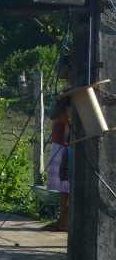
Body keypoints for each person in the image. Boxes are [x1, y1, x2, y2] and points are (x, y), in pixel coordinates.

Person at [45, 55, 72, 232]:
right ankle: (62, 218)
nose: (58, 71)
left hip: (66, 141)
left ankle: (65, 220)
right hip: (60, 139)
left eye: (61, 67)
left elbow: (67, 116)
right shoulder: (67, 89)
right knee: (63, 187)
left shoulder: (73, 91)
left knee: (67, 185)